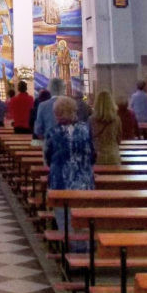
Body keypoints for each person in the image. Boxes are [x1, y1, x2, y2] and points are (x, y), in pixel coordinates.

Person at [44, 96, 95, 247]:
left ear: (57, 113)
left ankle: (72, 254)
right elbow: (92, 154)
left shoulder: (53, 133)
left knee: (64, 220)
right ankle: (84, 252)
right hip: (83, 182)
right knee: (82, 220)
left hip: (60, 182)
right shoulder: (86, 129)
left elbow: (48, 158)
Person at [90, 90, 121, 165]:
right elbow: (119, 139)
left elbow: (89, 138)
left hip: (97, 155)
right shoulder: (116, 119)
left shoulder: (91, 120)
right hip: (113, 154)